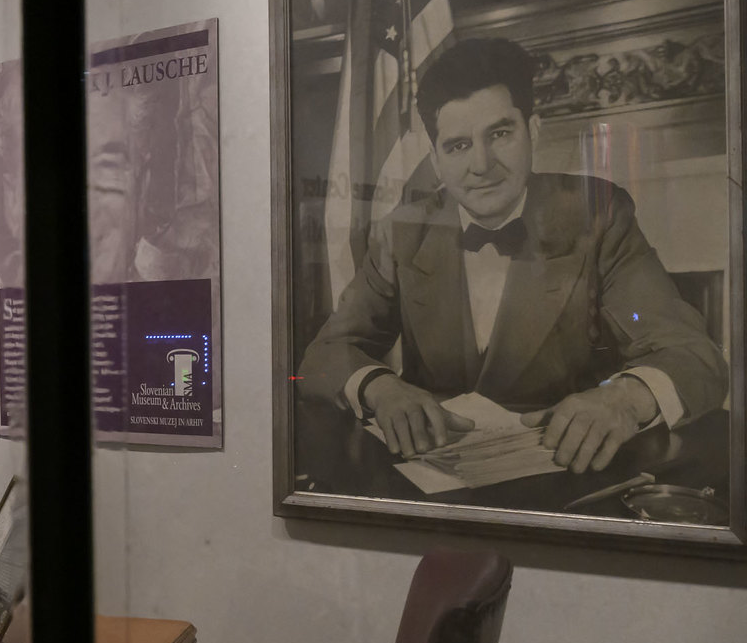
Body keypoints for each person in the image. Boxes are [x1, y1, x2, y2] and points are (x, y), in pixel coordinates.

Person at [299, 36, 725, 474]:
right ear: (436, 157)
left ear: (533, 131)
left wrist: (626, 397)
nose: (481, 164)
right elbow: (324, 356)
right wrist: (378, 387)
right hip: (435, 489)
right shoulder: (401, 231)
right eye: (458, 145)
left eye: (499, 133)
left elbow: (693, 354)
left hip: (575, 480)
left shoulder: (598, 216)